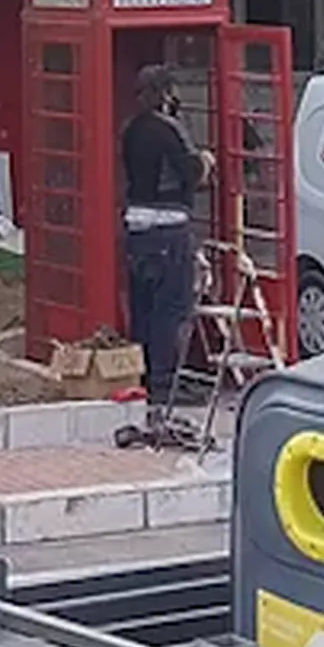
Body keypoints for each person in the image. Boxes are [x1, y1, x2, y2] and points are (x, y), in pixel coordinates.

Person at [120, 65, 213, 409]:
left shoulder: (129, 130)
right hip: (168, 229)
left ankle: (142, 377)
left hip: (135, 227)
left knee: (143, 308)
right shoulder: (169, 130)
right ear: (164, 93)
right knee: (170, 309)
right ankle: (164, 384)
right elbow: (189, 173)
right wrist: (206, 160)